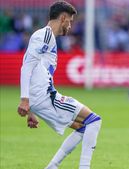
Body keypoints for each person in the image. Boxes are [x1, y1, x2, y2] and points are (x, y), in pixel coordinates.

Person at [17, 1, 101, 169]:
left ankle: (52, 166)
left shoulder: (49, 40)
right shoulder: (44, 35)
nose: (70, 26)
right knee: (94, 121)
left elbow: (35, 70)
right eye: (69, 21)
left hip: (41, 98)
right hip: (46, 97)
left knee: (83, 127)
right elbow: (26, 67)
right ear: (62, 18)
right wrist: (25, 100)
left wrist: (31, 109)